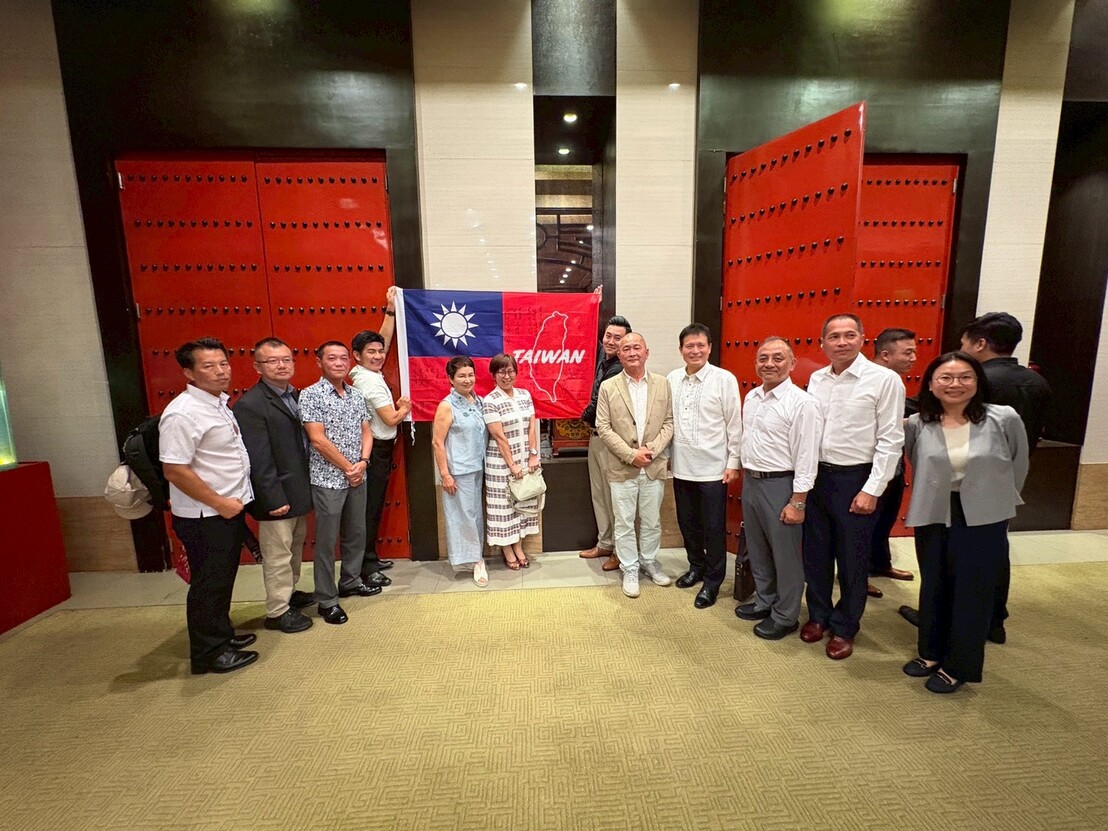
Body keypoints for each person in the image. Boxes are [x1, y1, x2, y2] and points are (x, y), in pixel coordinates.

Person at [901, 351, 1028, 694]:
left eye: (964, 377)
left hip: (984, 515)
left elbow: (1018, 465)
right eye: (945, 377)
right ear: (930, 383)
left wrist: (996, 500)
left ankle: (958, 665)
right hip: (934, 511)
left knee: (973, 590)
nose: (954, 384)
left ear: (977, 382)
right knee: (934, 584)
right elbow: (918, 461)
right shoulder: (918, 423)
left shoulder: (1003, 418)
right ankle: (930, 652)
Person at [801, 314, 905, 660]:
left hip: (856, 478)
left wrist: (873, 489)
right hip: (818, 476)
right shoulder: (817, 379)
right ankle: (818, 615)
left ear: (863, 338)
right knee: (816, 554)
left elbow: (891, 439)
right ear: (822, 343)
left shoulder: (884, 380)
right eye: (833, 336)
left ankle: (845, 627)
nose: (841, 342)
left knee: (852, 559)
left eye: (849, 335)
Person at [159, 338, 257, 674]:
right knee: (208, 583)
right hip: (206, 514)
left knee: (222, 577)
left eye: (223, 364)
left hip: (226, 508)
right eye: (208, 366)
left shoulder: (217, 404)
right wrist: (218, 502)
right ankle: (208, 653)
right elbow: (174, 469)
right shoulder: (182, 413)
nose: (219, 372)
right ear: (188, 372)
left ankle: (222, 635)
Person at [959, 311, 1052, 644]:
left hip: (972, 477)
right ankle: (994, 620)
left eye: (965, 342)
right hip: (1011, 474)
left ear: (981, 343)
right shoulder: (1036, 381)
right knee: (997, 545)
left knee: (963, 550)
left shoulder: (979, 380)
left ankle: (962, 619)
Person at [735, 337, 822, 639]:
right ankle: (764, 600)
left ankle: (786, 615)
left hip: (781, 485)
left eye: (777, 358)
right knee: (758, 548)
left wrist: (797, 501)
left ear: (792, 363)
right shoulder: (753, 397)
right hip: (753, 482)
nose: (769, 364)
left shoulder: (802, 404)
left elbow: (807, 456)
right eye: (763, 358)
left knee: (786, 555)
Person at [232, 337, 314, 634]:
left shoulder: (295, 395)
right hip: (276, 495)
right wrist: (271, 497)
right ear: (257, 367)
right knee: (277, 553)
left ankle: (289, 595)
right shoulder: (251, 405)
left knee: (293, 548)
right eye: (272, 361)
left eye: (286, 360)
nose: (281, 365)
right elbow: (258, 458)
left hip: (297, 489)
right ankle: (277, 611)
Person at [299, 341, 376, 625]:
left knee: (356, 533)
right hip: (328, 478)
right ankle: (327, 599)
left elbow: (366, 431)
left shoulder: (356, 395)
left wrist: (363, 463)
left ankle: (351, 580)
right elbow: (317, 439)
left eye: (344, 358)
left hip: (359, 473)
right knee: (327, 541)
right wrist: (347, 467)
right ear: (319, 362)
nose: (339, 362)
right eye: (332, 358)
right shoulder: (310, 395)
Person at [667, 323, 742, 609]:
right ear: (681, 350)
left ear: (709, 348)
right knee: (688, 524)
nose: (695, 350)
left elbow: (734, 424)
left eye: (701, 345)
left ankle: (713, 581)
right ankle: (695, 567)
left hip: (713, 469)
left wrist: (733, 462)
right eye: (689, 346)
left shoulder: (724, 379)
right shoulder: (673, 379)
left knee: (712, 527)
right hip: (682, 467)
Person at [595, 333, 674, 598]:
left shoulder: (663, 384)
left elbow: (670, 423)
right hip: (622, 466)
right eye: (625, 349)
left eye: (636, 347)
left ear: (646, 352)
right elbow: (603, 427)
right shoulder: (609, 387)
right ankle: (630, 567)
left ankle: (649, 560)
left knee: (652, 521)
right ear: (619, 355)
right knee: (624, 522)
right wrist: (631, 454)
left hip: (653, 465)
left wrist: (650, 451)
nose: (631, 352)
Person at [350, 287, 412, 588]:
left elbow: (383, 340)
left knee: (372, 507)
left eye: (379, 351)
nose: (378, 355)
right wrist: (403, 408)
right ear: (357, 356)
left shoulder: (365, 372)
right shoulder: (368, 381)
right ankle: (365, 566)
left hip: (379, 448)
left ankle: (370, 557)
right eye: (371, 352)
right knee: (369, 509)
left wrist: (389, 311)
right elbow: (390, 418)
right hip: (374, 451)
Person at [579, 308, 633, 573]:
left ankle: (620, 553)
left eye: (617, 338)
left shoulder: (619, 369)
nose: (611, 342)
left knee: (615, 499)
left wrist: (580, 415)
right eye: (608, 336)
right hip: (596, 439)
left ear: (626, 343)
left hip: (613, 442)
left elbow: (598, 402)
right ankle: (604, 543)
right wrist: (594, 302)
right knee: (599, 494)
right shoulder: (604, 358)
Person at [867, 327, 918, 599]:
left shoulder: (894, 380)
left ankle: (879, 563)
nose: (913, 358)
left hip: (894, 461)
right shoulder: (875, 380)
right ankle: (858, 573)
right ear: (885, 355)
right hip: (874, 462)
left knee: (886, 517)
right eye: (907, 352)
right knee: (867, 522)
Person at [431, 356, 489, 586]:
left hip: (479, 467)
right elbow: (438, 442)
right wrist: (445, 474)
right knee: (465, 516)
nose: (467, 380)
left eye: (470, 375)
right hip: (458, 471)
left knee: (474, 514)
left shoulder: (479, 401)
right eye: (461, 376)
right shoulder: (447, 405)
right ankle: (476, 562)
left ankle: (474, 557)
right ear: (451, 380)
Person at [483, 353, 541, 569]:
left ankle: (518, 546)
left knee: (522, 506)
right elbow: (499, 437)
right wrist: (512, 465)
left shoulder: (524, 395)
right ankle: (507, 550)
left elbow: (531, 425)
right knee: (505, 509)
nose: (507, 376)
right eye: (501, 372)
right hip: (501, 464)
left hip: (526, 459)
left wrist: (533, 454)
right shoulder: (490, 401)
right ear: (493, 375)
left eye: (510, 371)